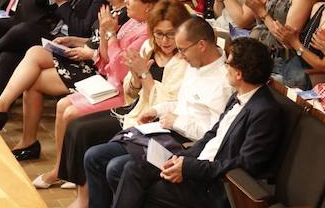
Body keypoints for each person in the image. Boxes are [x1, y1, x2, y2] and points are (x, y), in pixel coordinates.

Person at [0, 0, 169, 154]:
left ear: (148, 6)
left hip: (115, 86)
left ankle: (6, 113)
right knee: (32, 64)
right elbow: (105, 57)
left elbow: (118, 70)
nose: (127, 0)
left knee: (57, 97)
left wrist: (107, 37)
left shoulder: (145, 30)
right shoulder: (133, 22)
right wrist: (102, 36)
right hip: (104, 72)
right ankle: (22, 133)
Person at [34, 0, 190, 194]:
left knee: (83, 131)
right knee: (76, 127)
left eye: (170, 34)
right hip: (134, 108)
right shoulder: (149, 47)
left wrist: (144, 74)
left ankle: (83, 196)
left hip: (156, 121)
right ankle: (81, 192)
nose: (164, 40)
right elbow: (131, 91)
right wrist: (135, 78)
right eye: (159, 34)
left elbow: (167, 104)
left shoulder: (183, 60)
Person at [109, 37, 281, 208]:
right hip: (198, 163)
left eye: (228, 64)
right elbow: (212, 135)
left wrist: (189, 168)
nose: (225, 67)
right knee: (134, 168)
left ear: (238, 74)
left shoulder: (264, 111)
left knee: (147, 191)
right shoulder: (238, 95)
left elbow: (247, 164)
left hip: (215, 184)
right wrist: (181, 160)